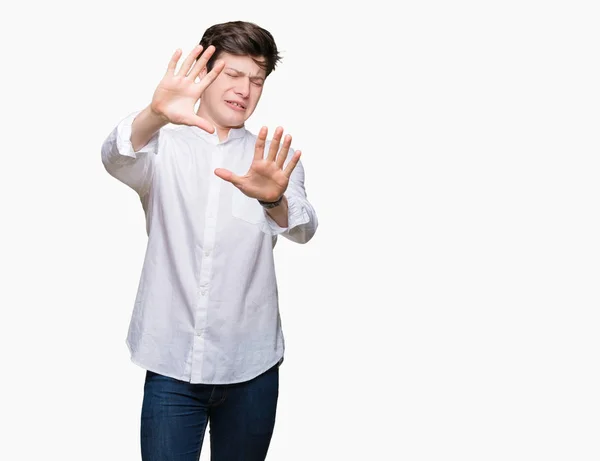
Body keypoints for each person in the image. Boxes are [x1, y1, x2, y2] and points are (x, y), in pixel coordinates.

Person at [100, 20, 318, 461]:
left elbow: (304, 227)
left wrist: (273, 198)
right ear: (205, 73)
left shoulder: (270, 158)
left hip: (252, 366)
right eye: (232, 74)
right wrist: (155, 113)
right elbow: (115, 155)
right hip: (171, 364)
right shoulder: (162, 147)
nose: (245, 89)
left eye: (256, 79)